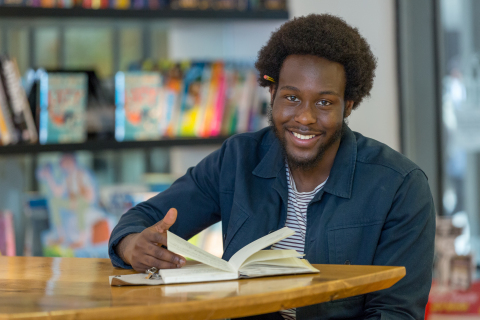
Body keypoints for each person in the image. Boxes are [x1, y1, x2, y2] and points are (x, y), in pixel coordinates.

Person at [109, 14, 435, 320]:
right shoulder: (237, 159)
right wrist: (133, 245)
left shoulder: (400, 186)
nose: (304, 117)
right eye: (292, 97)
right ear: (272, 92)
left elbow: (395, 312)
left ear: (348, 105)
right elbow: (142, 221)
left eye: (324, 102)